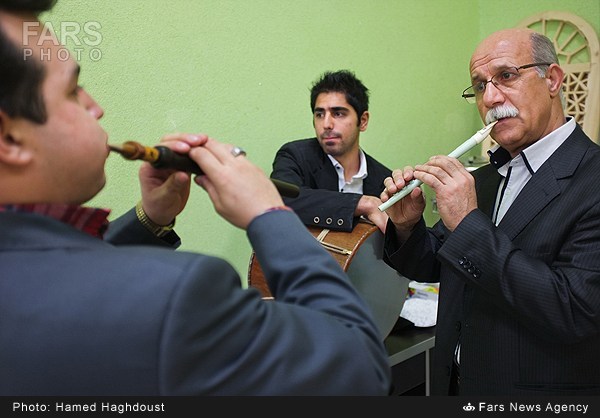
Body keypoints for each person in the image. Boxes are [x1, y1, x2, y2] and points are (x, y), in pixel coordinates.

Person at [0, 0, 392, 395]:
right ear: (10, 139)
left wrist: (151, 217)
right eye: (72, 92)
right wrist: (269, 212)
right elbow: (359, 367)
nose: (95, 107)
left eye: (338, 113)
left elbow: (69, 274)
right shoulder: (182, 294)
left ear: (363, 120)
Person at [380, 27, 600, 396]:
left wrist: (468, 223)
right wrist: (407, 226)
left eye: (507, 76)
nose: (491, 98)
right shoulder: (483, 178)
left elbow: (574, 311)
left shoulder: (591, 178)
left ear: (552, 80)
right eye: (480, 86)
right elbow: (437, 265)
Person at [271, 70, 391, 233]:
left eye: (338, 113)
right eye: (319, 114)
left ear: (363, 121)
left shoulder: (385, 179)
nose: (326, 124)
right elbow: (280, 199)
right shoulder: (295, 155)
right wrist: (362, 203)